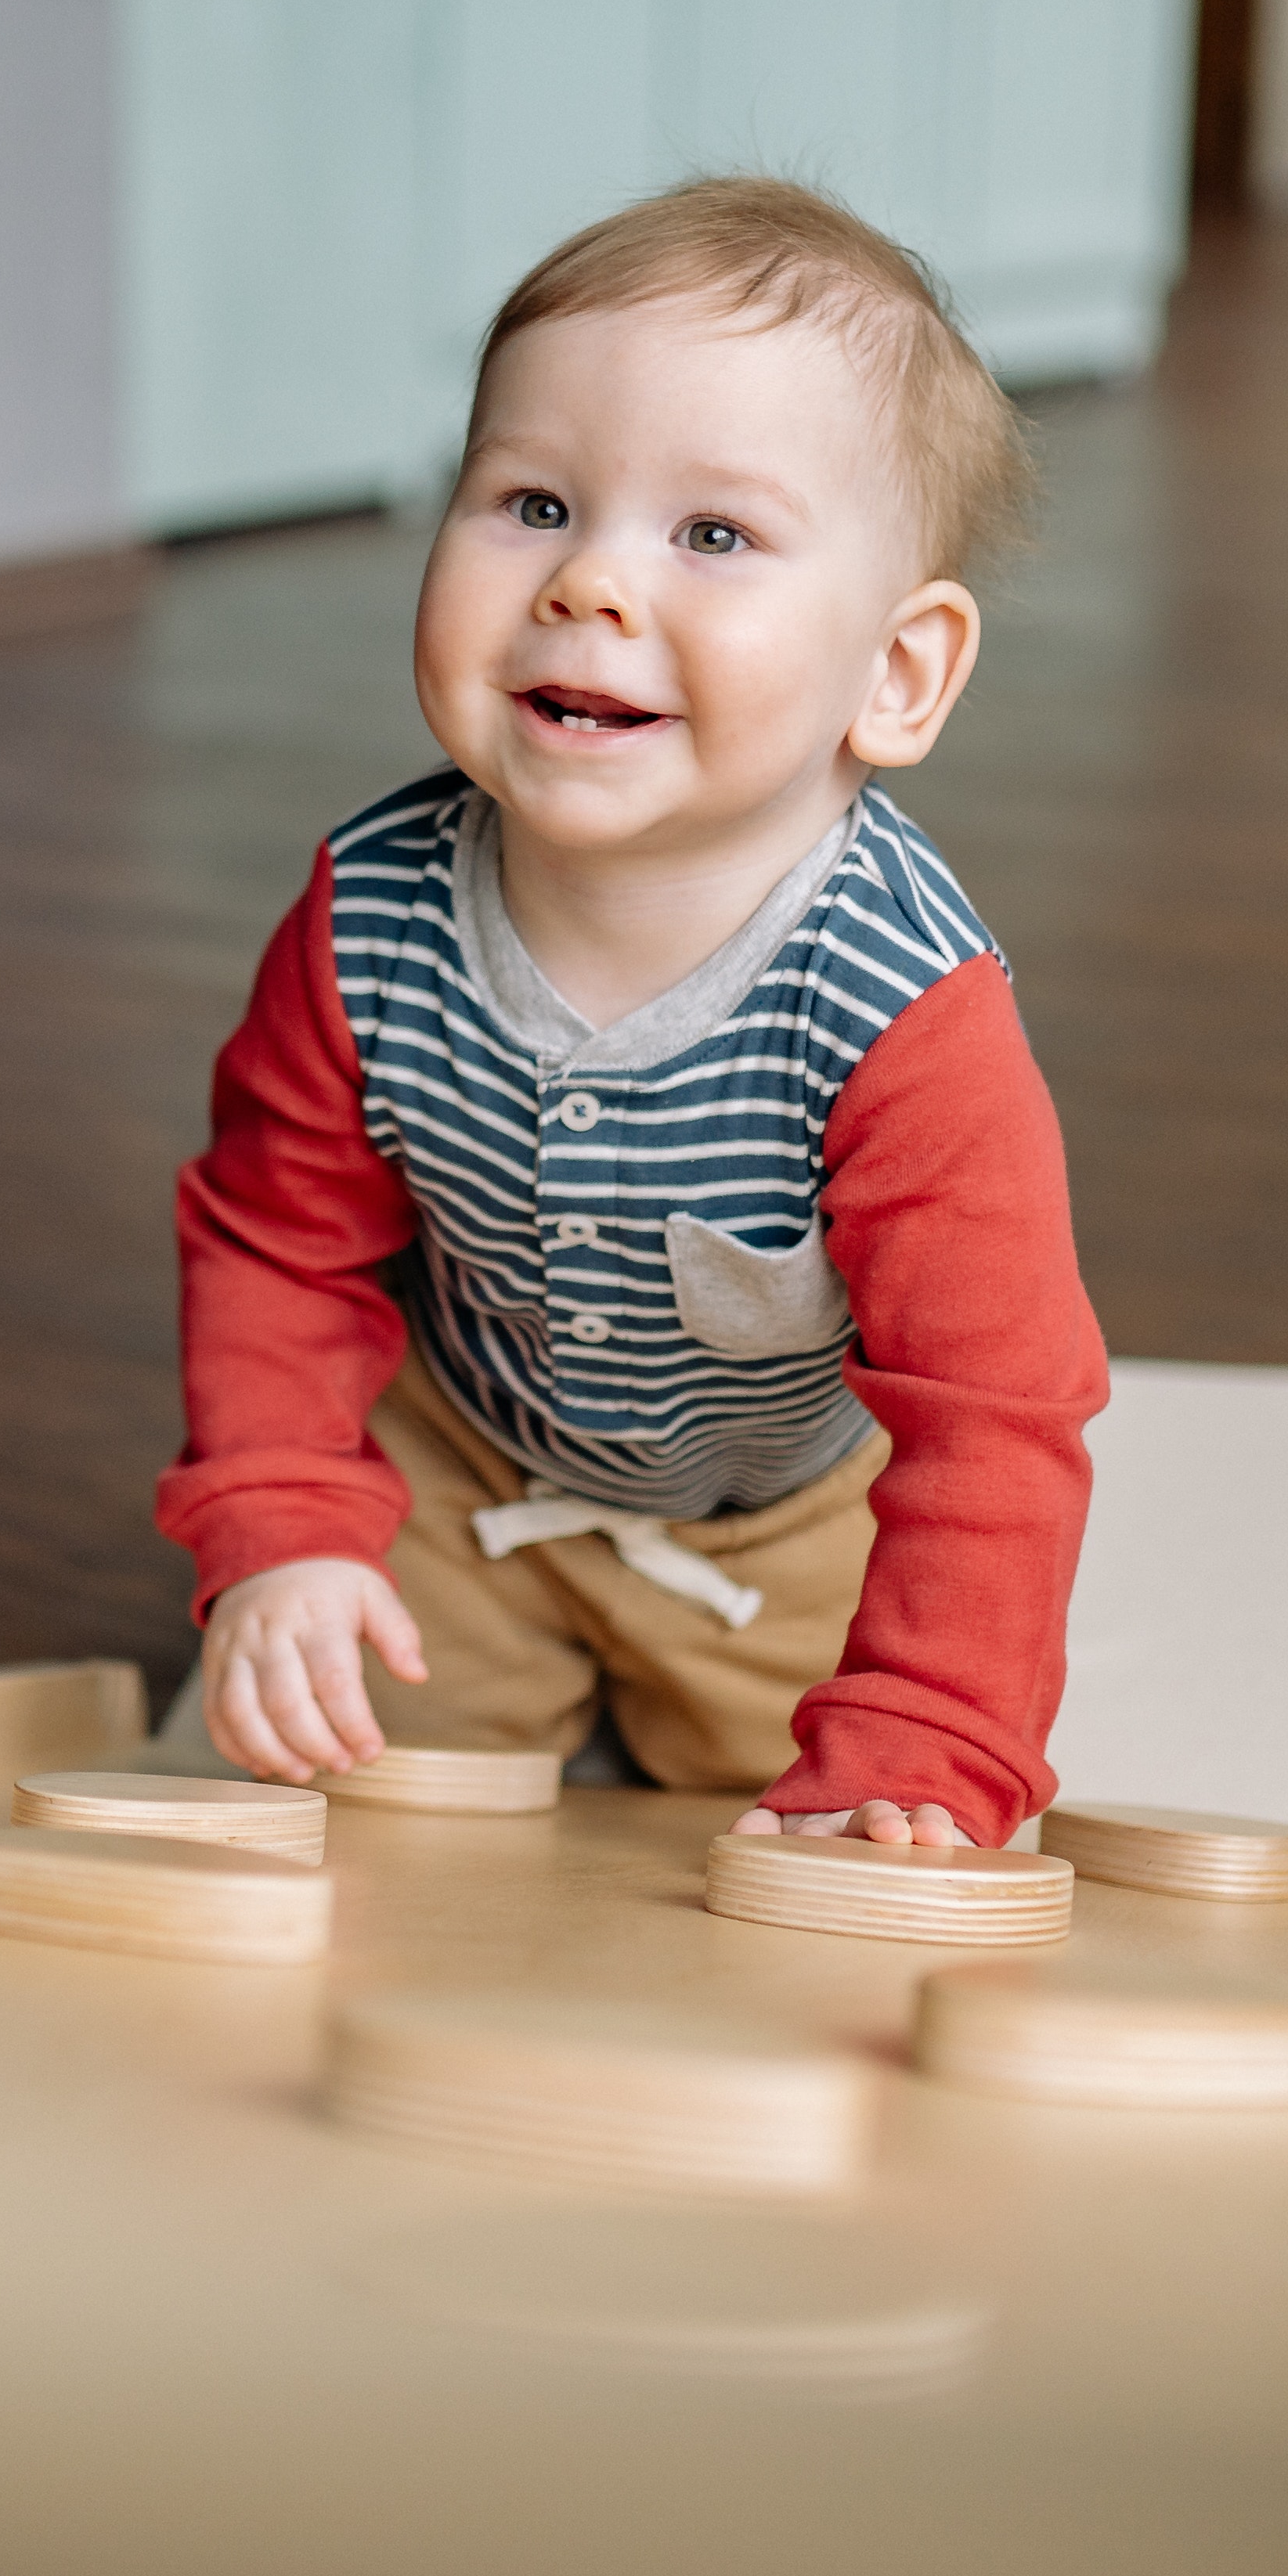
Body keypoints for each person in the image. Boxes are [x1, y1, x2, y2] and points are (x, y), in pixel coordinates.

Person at [157, 175, 1105, 1852]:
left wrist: (931, 1725)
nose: (590, 581)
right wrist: (289, 1522)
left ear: (898, 674)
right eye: (529, 501)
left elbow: (993, 1410)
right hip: (466, 1465)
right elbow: (277, 1239)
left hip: (781, 1531)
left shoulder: (903, 1013)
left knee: (850, 1844)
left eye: (713, 534)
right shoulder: (367, 916)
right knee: (338, 1806)